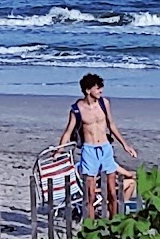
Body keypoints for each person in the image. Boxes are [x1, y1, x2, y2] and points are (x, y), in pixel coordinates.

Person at [58, 73, 137, 219]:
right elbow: (68, 132)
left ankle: (114, 222)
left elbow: (111, 125)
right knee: (90, 195)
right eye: (98, 88)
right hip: (89, 151)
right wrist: (59, 151)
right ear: (88, 90)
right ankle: (91, 226)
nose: (101, 91)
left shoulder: (104, 103)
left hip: (105, 149)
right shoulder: (77, 109)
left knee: (113, 192)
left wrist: (125, 145)